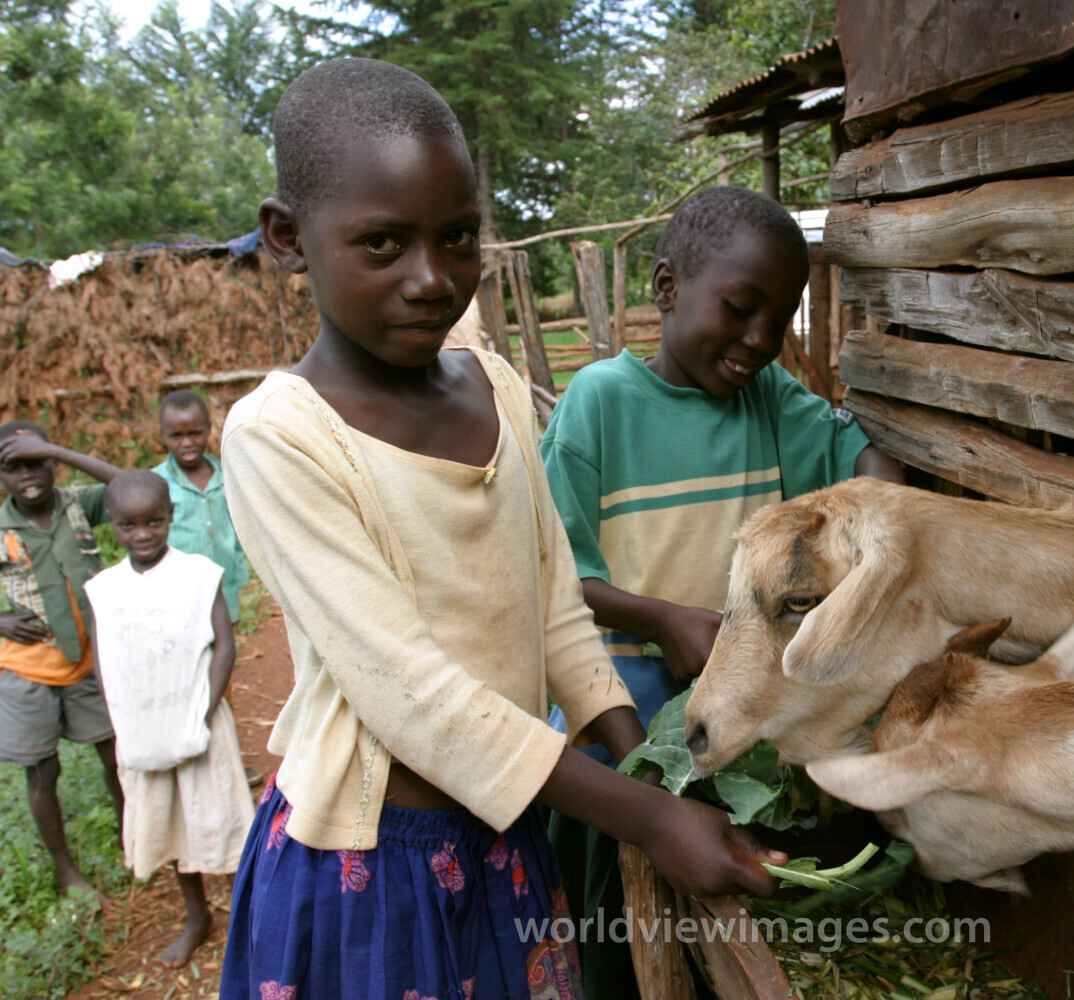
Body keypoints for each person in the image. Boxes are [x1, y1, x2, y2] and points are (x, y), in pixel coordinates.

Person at [218, 58, 785, 1000]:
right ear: (288, 238)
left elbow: (556, 613)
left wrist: (650, 769)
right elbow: (414, 701)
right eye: (382, 243)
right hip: (373, 865)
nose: (431, 278)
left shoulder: (497, 391)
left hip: (507, 833)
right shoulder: (281, 439)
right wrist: (643, 816)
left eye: (457, 238)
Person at [539, 184, 903, 996]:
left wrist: (889, 515)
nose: (760, 340)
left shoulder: (769, 402)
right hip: (622, 724)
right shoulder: (600, 403)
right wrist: (658, 618)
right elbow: (556, 572)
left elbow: (858, 462)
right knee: (611, 927)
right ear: (667, 288)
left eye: (779, 321)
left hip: (737, 727)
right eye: (740, 309)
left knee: (718, 904)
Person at [83, 471, 254, 968]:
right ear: (111, 524)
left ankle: (248, 919)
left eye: (154, 522)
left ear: (170, 516)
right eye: (128, 525)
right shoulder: (104, 589)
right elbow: (104, 661)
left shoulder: (199, 575)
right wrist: (125, 723)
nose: (143, 534)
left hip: (199, 725)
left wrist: (200, 715)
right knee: (170, 823)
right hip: (143, 732)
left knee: (221, 815)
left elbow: (225, 647)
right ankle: (198, 916)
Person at [0, 420, 125, 899]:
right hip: (28, 672)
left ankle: (130, 837)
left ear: (54, 463)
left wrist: (59, 451)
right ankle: (65, 870)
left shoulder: (77, 503)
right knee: (43, 772)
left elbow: (131, 485)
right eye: (13, 467)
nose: (27, 476)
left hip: (90, 663)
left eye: (37, 463)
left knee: (113, 756)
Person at [152, 389, 250, 626]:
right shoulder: (156, 483)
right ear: (162, 434)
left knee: (225, 641)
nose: (187, 443)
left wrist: (240, 570)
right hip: (176, 591)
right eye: (176, 436)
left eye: (195, 433)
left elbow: (240, 528)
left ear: (208, 429)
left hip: (224, 586)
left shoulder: (228, 476)